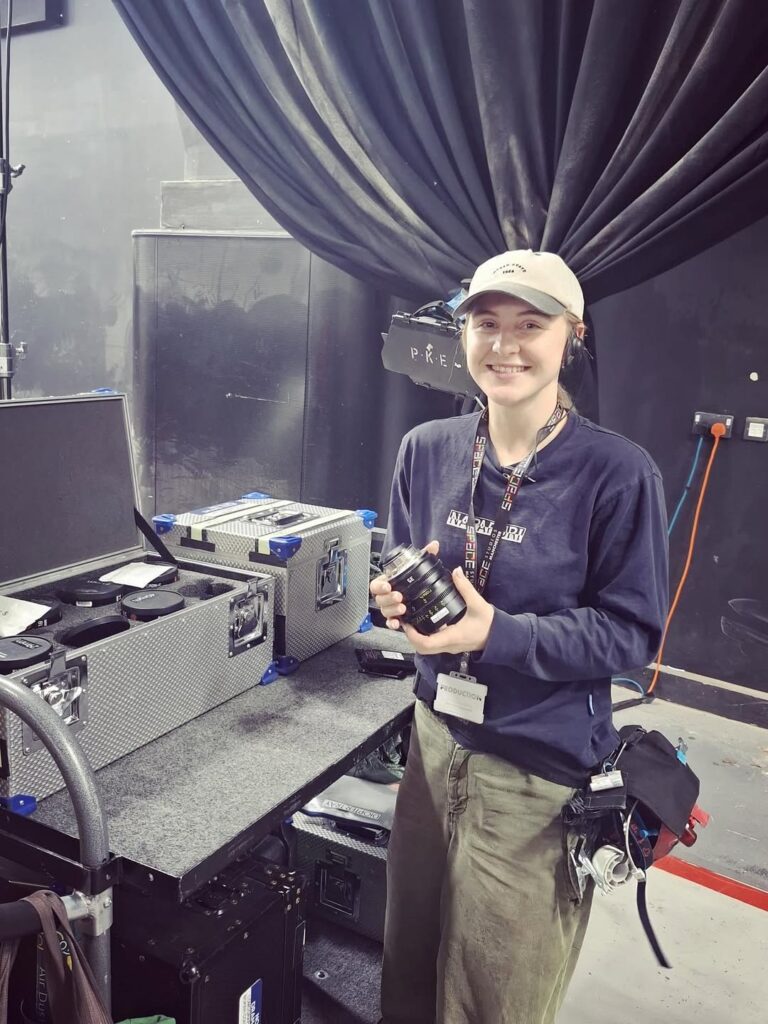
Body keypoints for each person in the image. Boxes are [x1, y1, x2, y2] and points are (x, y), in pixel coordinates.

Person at [370, 249, 669, 1024]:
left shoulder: (617, 472)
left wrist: (497, 633)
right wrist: (392, 606)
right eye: (486, 324)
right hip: (434, 742)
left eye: (529, 325)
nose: (504, 345)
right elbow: (399, 561)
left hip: (538, 771)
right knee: (407, 966)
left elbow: (631, 634)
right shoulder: (426, 449)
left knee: (494, 995)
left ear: (572, 336)